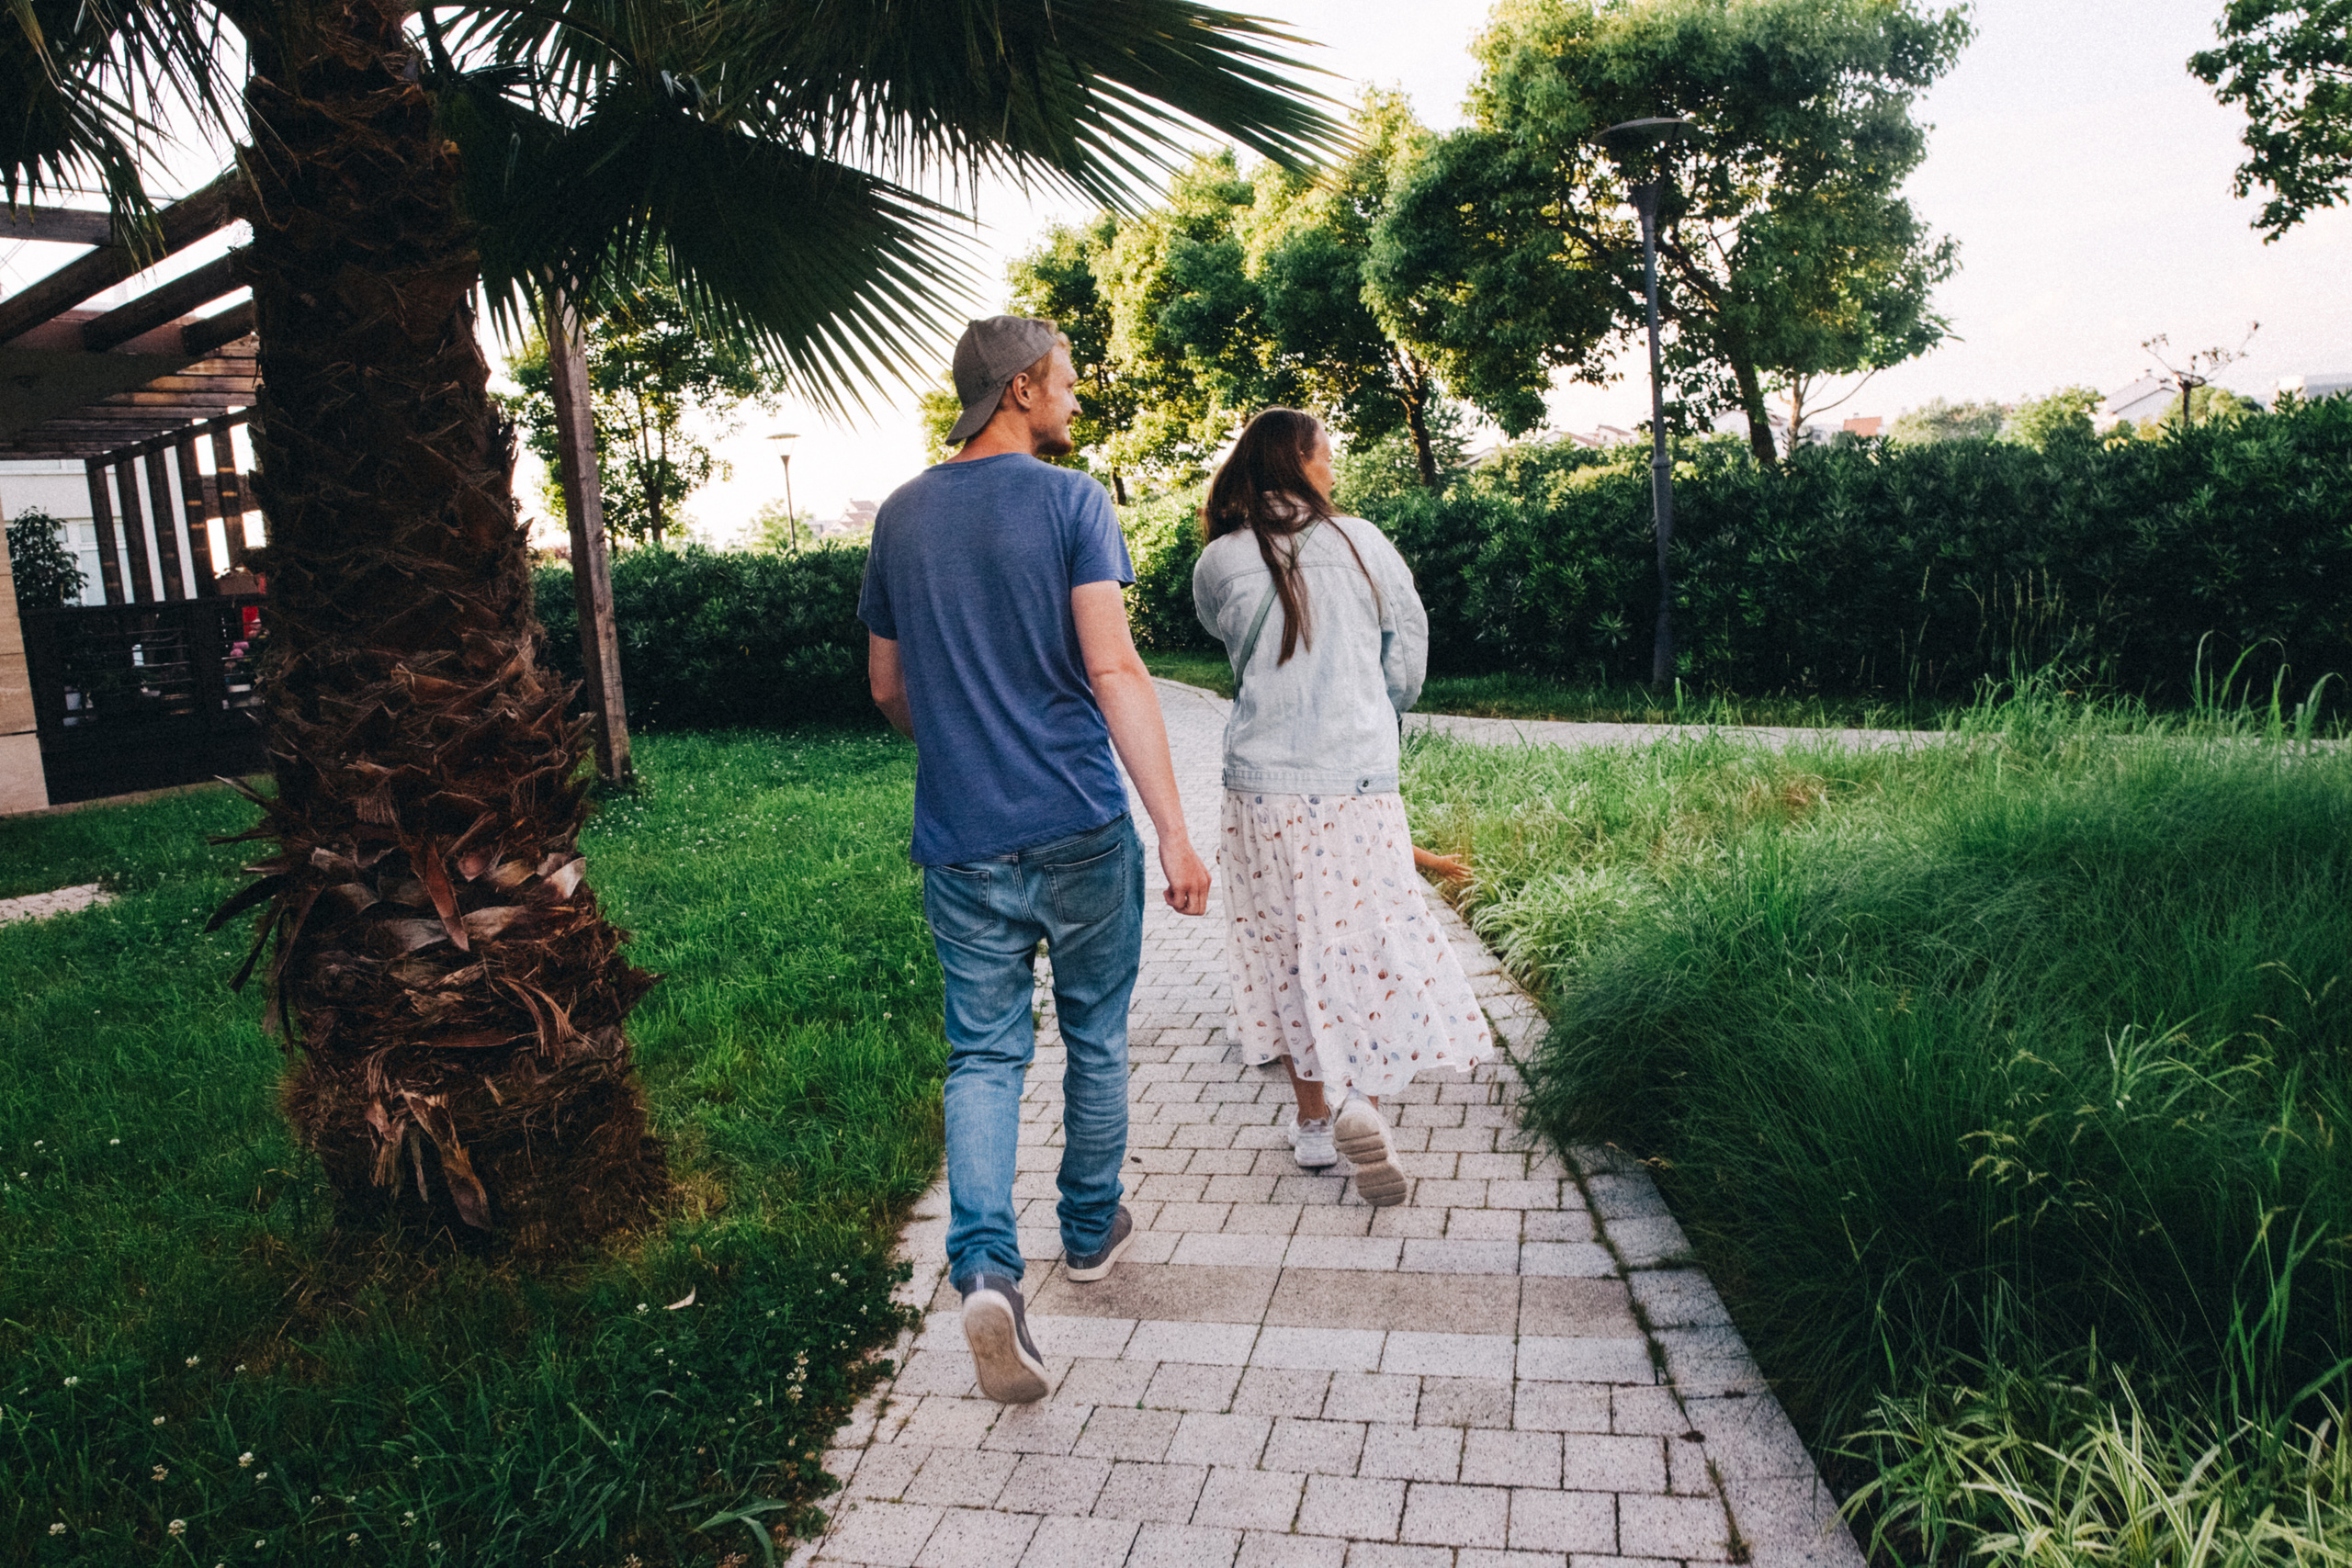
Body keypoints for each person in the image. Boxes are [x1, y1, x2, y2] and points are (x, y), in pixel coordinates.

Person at [861, 315, 1212, 1404]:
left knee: (984, 1056)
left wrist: (963, 748)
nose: (1073, 397)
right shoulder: (1071, 503)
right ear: (1018, 389)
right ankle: (1090, 1231)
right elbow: (1114, 672)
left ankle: (984, 1270)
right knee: (1096, 1035)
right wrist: (1174, 829)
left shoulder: (902, 516)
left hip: (962, 839)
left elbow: (885, 688)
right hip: (1077, 821)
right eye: (1064, 381)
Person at [1192, 408, 1492, 1205]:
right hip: (1358, 782)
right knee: (1361, 942)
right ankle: (1363, 1098)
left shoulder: (1220, 560)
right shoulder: (1366, 542)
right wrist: (1372, 708)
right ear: (1300, 462)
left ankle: (1316, 1122)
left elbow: (1230, 647)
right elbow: (1408, 653)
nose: (1333, 471)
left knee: (1286, 947)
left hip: (1260, 787)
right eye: (1327, 457)